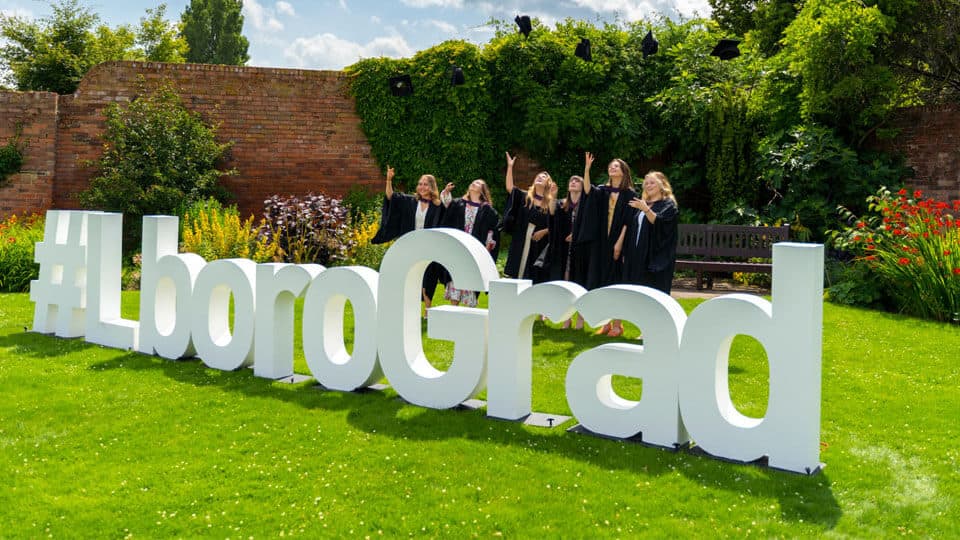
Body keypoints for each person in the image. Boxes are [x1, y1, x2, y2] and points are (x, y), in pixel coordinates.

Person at [371, 166, 452, 314]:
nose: (421, 187)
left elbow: (447, 218)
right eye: (420, 184)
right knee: (409, 275)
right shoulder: (410, 201)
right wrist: (389, 179)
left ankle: (427, 310)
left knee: (428, 276)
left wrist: (446, 194)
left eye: (425, 184)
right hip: (410, 245)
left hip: (428, 247)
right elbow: (391, 197)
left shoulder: (437, 205)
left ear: (432, 187)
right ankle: (408, 309)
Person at [580, 152, 637, 337]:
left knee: (615, 282)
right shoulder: (603, 191)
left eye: (616, 166)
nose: (612, 168)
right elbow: (587, 190)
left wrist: (619, 244)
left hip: (618, 242)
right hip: (601, 242)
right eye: (610, 166)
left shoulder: (629, 194)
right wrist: (587, 169)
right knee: (601, 281)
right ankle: (606, 323)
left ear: (623, 172)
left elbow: (629, 221)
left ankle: (618, 325)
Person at [440, 179, 500, 307]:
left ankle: (470, 312)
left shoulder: (487, 209)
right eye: (473, 182)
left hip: (475, 250)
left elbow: (492, 230)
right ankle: (453, 310)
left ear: (482, 190)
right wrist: (446, 192)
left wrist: (488, 245)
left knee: (472, 277)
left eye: (478, 183)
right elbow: (446, 205)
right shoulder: (459, 203)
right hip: (459, 248)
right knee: (455, 276)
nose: (474, 183)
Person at [501, 152, 559, 283]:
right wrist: (510, 167)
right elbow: (510, 188)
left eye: (544, 177)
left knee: (534, 276)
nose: (540, 177)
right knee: (518, 274)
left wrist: (544, 231)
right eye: (538, 176)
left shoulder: (549, 202)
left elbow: (554, 221)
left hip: (539, 243)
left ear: (548, 184)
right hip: (521, 239)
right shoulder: (525, 196)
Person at [624, 171, 679, 294]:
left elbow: (659, 223)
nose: (648, 185)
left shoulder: (668, 205)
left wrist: (646, 209)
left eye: (652, 183)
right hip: (638, 254)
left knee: (652, 294)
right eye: (646, 183)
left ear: (662, 185)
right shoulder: (644, 203)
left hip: (656, 256)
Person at [555, 175, 590, 329]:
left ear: (583, 186)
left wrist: (577, 235)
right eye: (571, 181)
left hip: (582, 250)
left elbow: (592, 226)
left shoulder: (587, 205)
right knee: (566, 284)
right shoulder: (563, 204)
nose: (573, 183)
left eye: (577, 181)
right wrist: (553, 196)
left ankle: (581, 318)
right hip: (565, 250)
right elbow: (553, 220)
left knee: (581, 283)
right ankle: (567, 317)